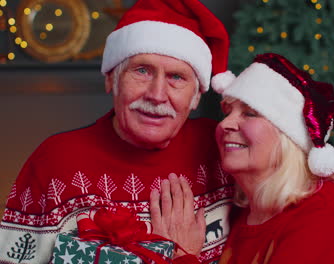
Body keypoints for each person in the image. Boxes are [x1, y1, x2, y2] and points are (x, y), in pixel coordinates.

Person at [0, 0, 235, 263]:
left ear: (196, 96)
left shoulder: (224, 150)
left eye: (176, 77)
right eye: (142, 71)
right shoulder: (55, 163)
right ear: (111, 78)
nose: (157, 95)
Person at [151, 53, 334, 263]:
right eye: (228, 112)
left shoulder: (321, 221)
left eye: (249, 113)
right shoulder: (252, 211)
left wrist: (182, 256)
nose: (225, 124)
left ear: (289, 137)